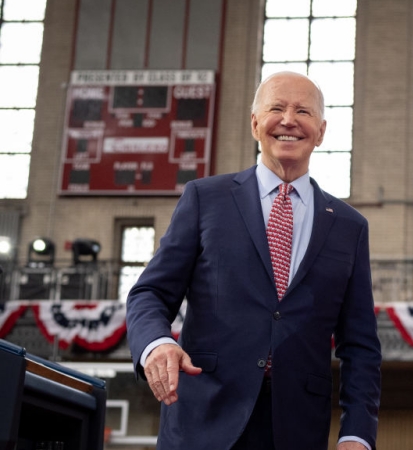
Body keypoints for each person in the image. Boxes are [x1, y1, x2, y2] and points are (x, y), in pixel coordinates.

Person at [126, 71, 381, 450]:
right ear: (255, 123)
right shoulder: (204, 199)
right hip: (203, 421)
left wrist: (357, 433)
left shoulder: (349, 226)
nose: (289, 120)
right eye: (276, 108)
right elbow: (149, 293)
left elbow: (360, 345)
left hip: (296, 429)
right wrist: (156, 344)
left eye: (303, 112)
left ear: (322, 131)